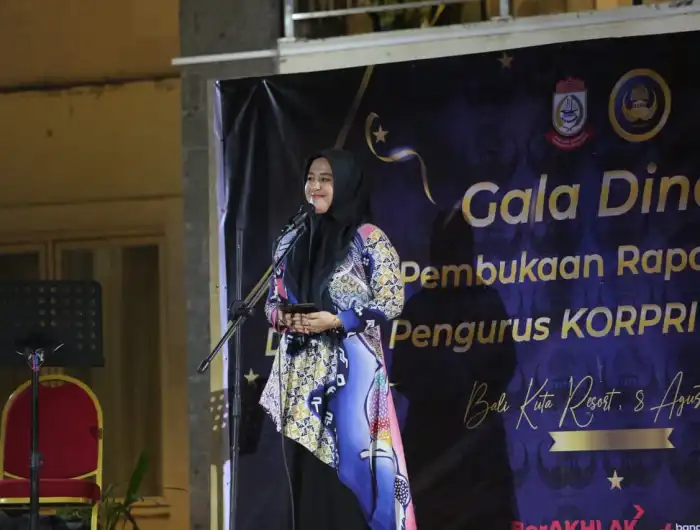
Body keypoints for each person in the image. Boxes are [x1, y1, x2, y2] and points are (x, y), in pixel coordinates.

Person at [259, 149, 416, 530]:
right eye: (311, 178)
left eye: (325, 179)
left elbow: (391, 300)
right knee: (308, 486)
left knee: (352, 478)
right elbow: (271, 303)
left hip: (351, 381)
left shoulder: (368, 239)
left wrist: (338, 320)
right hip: (301, 384)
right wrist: (285, 319)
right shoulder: (292, 238)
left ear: (344, 184)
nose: (314, 186)